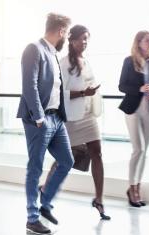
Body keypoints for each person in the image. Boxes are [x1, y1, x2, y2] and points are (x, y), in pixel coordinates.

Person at [41, 24, 110, 220]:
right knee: (64, 158)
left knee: (97, 152)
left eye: (87, 38)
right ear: (72, 41)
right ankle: (46, 191)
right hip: (71, 118)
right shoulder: (63, 63)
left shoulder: (86, 62)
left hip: (88, 115)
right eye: (81, 38)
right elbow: (58, 92)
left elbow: (88, 84)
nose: (85, 42)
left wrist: (91, 91)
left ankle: (99, 199)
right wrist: (82, 93)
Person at [17, 13, 74, 235]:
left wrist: (58, 116)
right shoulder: (34, 49)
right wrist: (39, 117)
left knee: (67, 160)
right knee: (36, 167)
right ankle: (32, 218)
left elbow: (55, 87)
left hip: (56, 119)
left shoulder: (52, 53)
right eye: (67, 33)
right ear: (60, 31)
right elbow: (28, 85)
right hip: (39, 120)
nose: (66, 38)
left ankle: (45, 203)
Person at [118, 31, 149, 207]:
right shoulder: (129, 61)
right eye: (147, 40)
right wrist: (140, 89)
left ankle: (137, 188)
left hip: (148, 109)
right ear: (139, 42)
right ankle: (132, 187)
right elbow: (122, 86)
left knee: (145, 151)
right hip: (132, 108)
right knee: (138, 149)